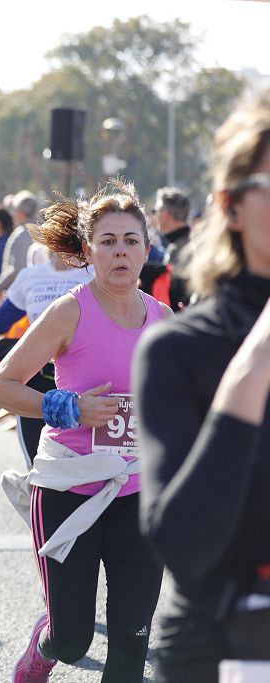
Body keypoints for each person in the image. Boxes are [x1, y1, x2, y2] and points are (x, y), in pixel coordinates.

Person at [0, 180, 172, 682]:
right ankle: (41, 650)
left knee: (132, 642)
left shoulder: (164, 319)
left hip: (137, 490)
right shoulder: (70, 310)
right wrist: (68, 407)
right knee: (72, 639)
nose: (120, 251)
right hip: (70, 487)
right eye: (108, 241)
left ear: (146, 249)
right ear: (88, 250)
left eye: (131, 240)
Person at [134, 90, 270, 681]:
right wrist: (253, 367)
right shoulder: (180, 348)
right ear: (231, 207)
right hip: (224, 642)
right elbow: (184, 547)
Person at [0, 251, 93, 464]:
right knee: (36, 465)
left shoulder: (94, 273)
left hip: (82, 384)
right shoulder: (32, 276)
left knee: (84, 469)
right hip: (36, 383)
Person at [0, 190, 37, 292]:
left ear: (20, 213)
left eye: (14, 211)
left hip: (19, 295)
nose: (13, 215)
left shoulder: (20, 234)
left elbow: (15, 271)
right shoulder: (43, 231)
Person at [152, 186, 193, 311]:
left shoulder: (181, 249)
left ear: (165, 215)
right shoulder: (188, 243)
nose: (155, 216)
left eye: (155, 211)